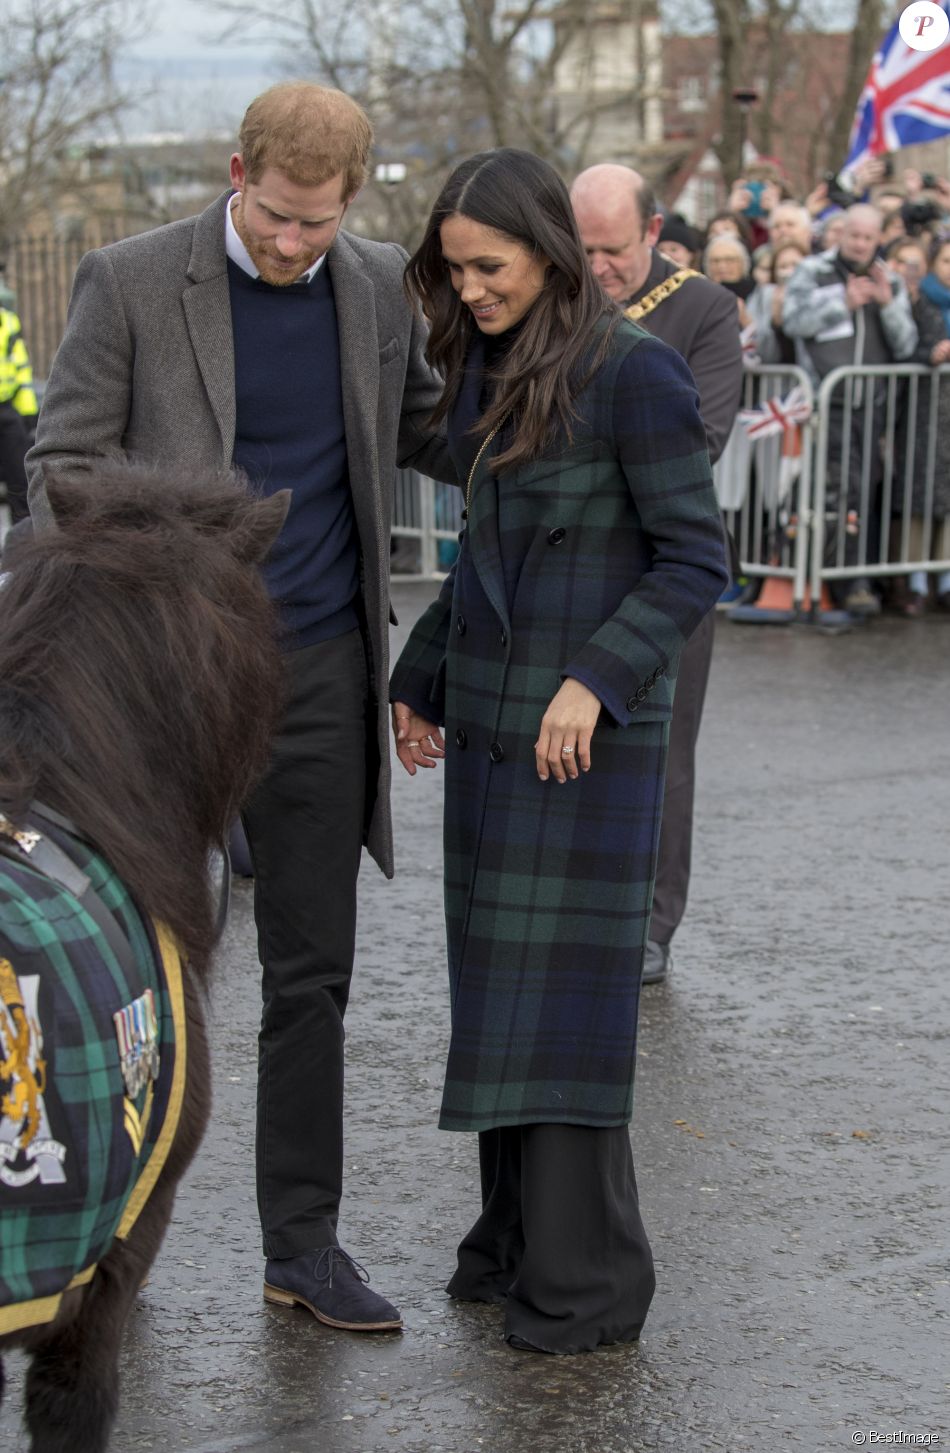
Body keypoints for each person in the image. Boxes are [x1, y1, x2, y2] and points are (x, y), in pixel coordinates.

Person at [27, 81, 452, 1332]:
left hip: (318, 670)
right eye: (274, 217)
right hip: (158, 679)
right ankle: (95, 1249)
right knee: (120, 965)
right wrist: (184, 567)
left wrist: (565, 392)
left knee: (310, 971)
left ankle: (301, 1247)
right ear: (235, 173)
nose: (291, 245)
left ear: (350, 209)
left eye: (316, 226)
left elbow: (428, 427)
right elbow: (61, 468)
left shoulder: (375, 285)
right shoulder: (130, 278)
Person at [389, 147, 727, 1354]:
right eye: (453, 269)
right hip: (489, 729)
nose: (468, 288)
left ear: (546, 250)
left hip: (581, 742)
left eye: (488, 266)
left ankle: (589, 1288)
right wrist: (417, 678)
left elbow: (696, 557)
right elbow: (487, 544)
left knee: (561, 1012)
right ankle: (513, 1246)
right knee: (498, 990)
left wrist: (595, 675)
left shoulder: (632, 374)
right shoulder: (496, 364)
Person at [570, 162, 743, 986]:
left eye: (611, 249)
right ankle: (580, 905)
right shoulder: (558, 301)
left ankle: (652, 919)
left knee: (664, 750)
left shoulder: (704, 308)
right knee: (565, 740)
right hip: (568, 563)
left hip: (665, 563)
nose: (596, 266)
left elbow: (701, 435)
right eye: (583, 248)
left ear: (651, 231)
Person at [782, 203, 917, 616]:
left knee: (863, 490)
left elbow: (907, 343)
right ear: (840, 234)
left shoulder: (887, 277)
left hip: (873, 404)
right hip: (829, 401)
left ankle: (855, 576)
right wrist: (843, 302)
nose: (859, 244)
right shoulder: (813, 270)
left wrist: (887, 302)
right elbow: (793, 321)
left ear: (879, 239)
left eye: (868, 238)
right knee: (837, 490)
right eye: (853, 235)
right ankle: (843, 582)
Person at [887, 235, 950, 613]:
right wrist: (932, 352)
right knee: (917, 492)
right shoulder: (920, 300)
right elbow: (905, 346)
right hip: (922, 408)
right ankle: (913, 580)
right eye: (945, 260)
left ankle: (944, 578)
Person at [0, 304, 38, 523]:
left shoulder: (8, 320)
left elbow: (21, 367)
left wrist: (27, 411)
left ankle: (21, 540)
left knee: (20, 478)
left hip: (7, 409)